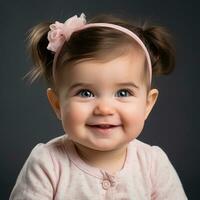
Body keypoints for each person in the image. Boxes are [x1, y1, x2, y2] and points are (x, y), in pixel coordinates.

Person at [10, 13, 187, 199]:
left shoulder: (153, 164)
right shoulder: (47, 164)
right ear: (57, 104)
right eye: (86, 93)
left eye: (123, 93)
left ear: (147, 105)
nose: (104, 109)